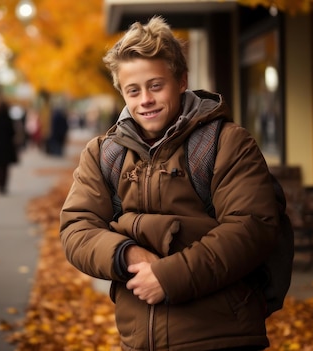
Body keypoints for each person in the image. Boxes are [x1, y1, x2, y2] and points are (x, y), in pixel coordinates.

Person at [59, 16, 279, 351]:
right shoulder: (104, 153)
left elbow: (253, 226)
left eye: (155, 85)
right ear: (122, 92)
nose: (145, 99)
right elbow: (76, 228)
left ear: (181, 81)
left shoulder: (226, 142)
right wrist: (128, 255)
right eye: (133, 90)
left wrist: (169, 277)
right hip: (137, 339)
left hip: (221, 337)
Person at [0, 99, 18, 195]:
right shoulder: (8, 119)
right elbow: (12, 132)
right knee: (5, 167)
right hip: (6, 146)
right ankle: (4, 185)